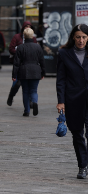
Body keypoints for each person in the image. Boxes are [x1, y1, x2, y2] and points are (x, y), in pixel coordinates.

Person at [56, 24, 88, 179]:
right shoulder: (64, 53)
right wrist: (60, 101)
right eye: (78, 37)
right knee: (77, 134)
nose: (81, 40)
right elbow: (61, 80)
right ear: (73, 38)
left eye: (84, 37)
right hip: (73, 100)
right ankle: (82, 165)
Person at [12, 28, 45, 117]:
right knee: (34, 90)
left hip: (23, 71)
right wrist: (43, 73)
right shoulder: (38, 47)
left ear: (24, 36)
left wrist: (14, 74)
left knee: (25, 91)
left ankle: (26, 111)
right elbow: (42, 61)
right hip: (35, 70)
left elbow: (16, 63)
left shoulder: (20, 47)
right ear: (32, 36)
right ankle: (34, 102)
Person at [7, 21, 37, 106]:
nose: (27, 28)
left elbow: (36, 50)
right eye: (26, 26)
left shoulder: (33, 38)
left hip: (30, 64)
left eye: (29, 26)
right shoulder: (17, 37)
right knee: (16, 83)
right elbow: (11, 48)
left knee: (30, 83)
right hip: (19, 63)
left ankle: (30, 101)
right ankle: (11, 96)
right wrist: (20, 54)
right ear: (23, 28)